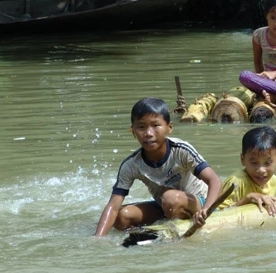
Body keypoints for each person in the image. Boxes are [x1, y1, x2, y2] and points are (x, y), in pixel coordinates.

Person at [94, 97, 223, 237]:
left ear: (169, 128)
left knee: (170, 199)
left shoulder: (181, 150)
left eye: (155, 125)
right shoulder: (131, 165)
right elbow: (113, 206)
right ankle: (151, 236)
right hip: (165, 206)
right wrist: (98, 239)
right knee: (121, 217)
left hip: (198, 202)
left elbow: (214, 181)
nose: (148, 133)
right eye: (141, 127)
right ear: (133, 131)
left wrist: (206, 211)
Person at [218, 126, 276, 216]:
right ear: (242, 159)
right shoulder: (237, 183)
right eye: (254, 162)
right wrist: (247, 199)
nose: (261, 170)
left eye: (267, 163)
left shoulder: (273, 181)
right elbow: (217, 214)